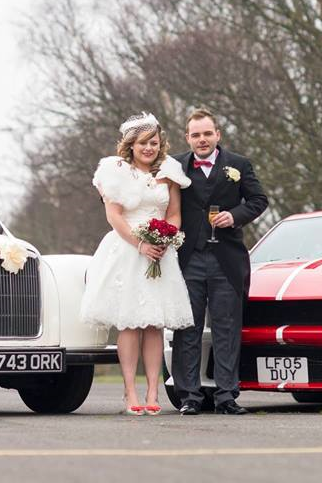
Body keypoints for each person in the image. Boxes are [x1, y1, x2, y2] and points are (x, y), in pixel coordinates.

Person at [80, 112, 194, 416]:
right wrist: (140, 243)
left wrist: (165, 238)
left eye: (154, 142)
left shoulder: (169, 171)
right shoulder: (115, 170)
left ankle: (154, 390)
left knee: (154, 322)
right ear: (131, 145)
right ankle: (130, 391)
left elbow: (173, 213)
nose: (149, 148)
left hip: (159, 250)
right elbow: (114, 215)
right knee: (130, 322)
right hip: (127, 249)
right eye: (143, 142)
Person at [171, 108, 268, 415]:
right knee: (188, 328)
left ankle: (227, 395)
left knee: (227, 328)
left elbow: (258, 200)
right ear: (187, 138)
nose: (202, 140)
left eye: (207, 133)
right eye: (196, 135)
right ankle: (189, 396)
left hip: (227, 259)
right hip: (188, 259)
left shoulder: (238, 165)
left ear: (218, 135)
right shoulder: (174, 166)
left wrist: (235, 216)